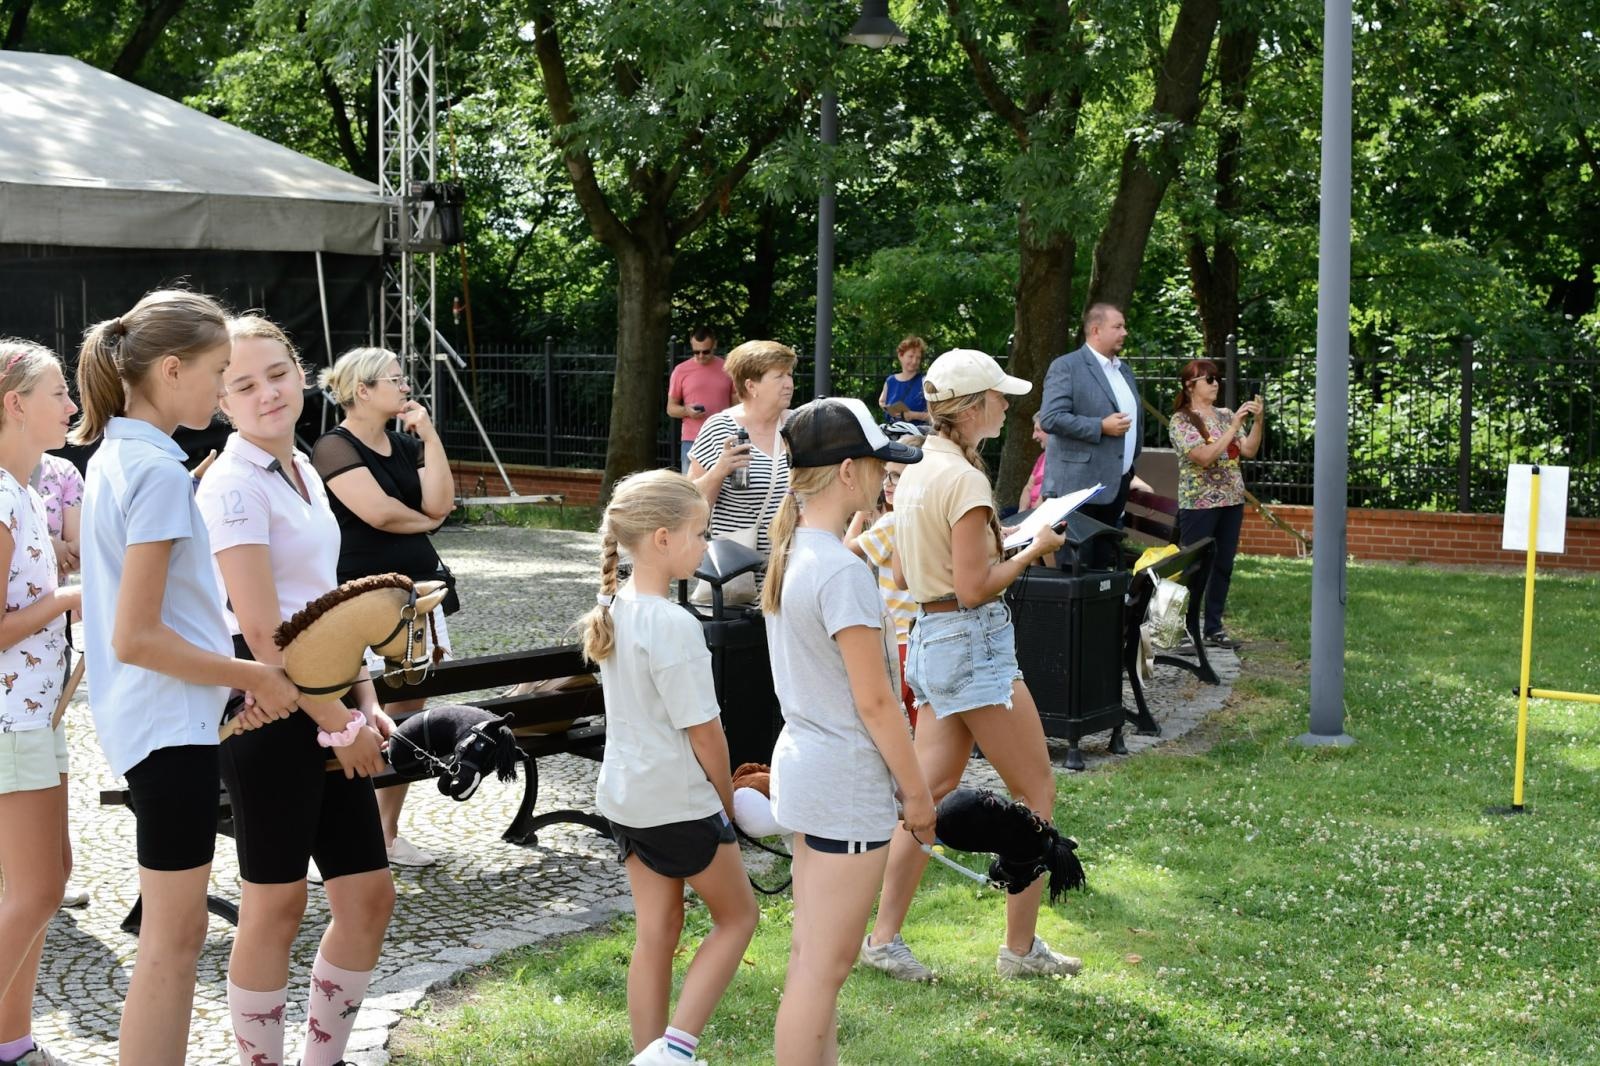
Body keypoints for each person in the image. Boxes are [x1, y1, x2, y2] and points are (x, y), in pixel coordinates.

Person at [73, 290, 300, 1065]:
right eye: (215, 372)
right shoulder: (161, 473)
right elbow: (135, 634)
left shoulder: (121, 456)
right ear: (171, 370)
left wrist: (229, 687)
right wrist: (253, 672)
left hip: (163, 720)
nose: (219, 390)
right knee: (173, 943)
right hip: (163, 727)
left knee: (176, 937)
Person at [198, 316, 396, 1066]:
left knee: (369, 899)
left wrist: (366, 700)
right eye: (243, 385)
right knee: (276, 906)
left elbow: (326, 605)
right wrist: (339, 723)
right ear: (221, 402)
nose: (266, 393)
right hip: (272, 715)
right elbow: (261, 630)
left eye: (276, 373)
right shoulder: (233, 485)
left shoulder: (306, 467)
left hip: (333, 705)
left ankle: (324, 1059)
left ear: (302, 373)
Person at [861, 348, 1079, 983]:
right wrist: (1034, 546)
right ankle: (1020, 950)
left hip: (930, 638)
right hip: (972, 644)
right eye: (999, 398)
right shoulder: (965, 480)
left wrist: (999, 545)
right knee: (1035, 791)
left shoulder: (919, 468)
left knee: (924, 801)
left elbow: (905, 573)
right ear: (973, 407)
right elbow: (978, 586)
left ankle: (884, 939)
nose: (1008, 407)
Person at [762, 397, 935, 1066]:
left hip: (809, 769)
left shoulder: (798, 551)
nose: (885, 476)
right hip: (842, 781)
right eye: (876, 464)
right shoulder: (840, 569)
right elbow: (877, 702)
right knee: (820, 970)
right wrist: (917, 795)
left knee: (813, 959)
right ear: (844, 472)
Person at [578, 469, 757, 1066]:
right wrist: (727, 803)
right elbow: (705, 731)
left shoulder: (616, 606)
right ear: (661, 538)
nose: (706, 546)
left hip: (626, 798)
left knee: (657, 932)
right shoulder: (674, 623)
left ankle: (647, 1056)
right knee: (739, 917)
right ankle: (675, 1051)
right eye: (699, 533)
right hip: (679, 801)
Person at [311, 347, 456, 868]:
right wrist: (428, 520)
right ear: (362, 390)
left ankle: (386, 832)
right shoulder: (332, 446)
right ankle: (342, 836)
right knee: (356, 713)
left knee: (408, 713)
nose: (405, 385)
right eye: (393, 379)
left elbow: (441, 501)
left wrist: (430, 437)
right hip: (360, 595)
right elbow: (379, 514)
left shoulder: (402, 442)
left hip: (419, 592)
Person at [0, 340, 84, 1066]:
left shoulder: (27, 491)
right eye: (59, 391)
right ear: (13, 404)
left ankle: (11, 1041)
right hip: (10, 722)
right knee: (31, 891)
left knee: (49, 883)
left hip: (35, 715)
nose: (72, 405)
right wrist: (68, 597)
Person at [25, 452, 94, 912]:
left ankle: (46, 874)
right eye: (58, 395)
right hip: (28, 629)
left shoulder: (62, 472)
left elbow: (76, 551)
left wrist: (52, 548)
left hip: (50, 637)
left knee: (50, 758)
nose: (72, 408)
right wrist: (51, 547)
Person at [1169, 359, 1264, 649]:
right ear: (1189, 385)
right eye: (1208, 379)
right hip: (1199, 504)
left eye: (1216, 378)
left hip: (1232, 500)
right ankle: (1184, 629)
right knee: (1195, 567)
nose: (1215, 383)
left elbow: (1248, 450)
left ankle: (1213, 627)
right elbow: (1204, 457)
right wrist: (1234, 425)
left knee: (1223, 564)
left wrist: (1257, 421)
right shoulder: (1181, 420)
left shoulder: (1224, 415)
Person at [1038, 303, 1141, 568]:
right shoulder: (1067, 367)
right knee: (1077, 567)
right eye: (1117, 326)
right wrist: (1100, 426)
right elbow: (1050, 418)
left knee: (1102, 568)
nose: (1125, 332)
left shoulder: (1123, 370)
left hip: (1115, 482)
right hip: (1076, 485)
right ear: (1096, 330)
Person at [686, 340, 796, 576]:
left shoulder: (799, 426)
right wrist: (719, 470)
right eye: (779, 376)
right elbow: (690, 504)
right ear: (751, 386)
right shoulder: (720, 427)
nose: (789, 384)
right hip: (737, 572)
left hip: (790, 570)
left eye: (789, 374)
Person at [846, 432, 923, 727]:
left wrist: (860, 513)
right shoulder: (927, 517)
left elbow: (845, 552)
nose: (887, 485)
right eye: (887, 476)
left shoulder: (893, 521)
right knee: (923, 724)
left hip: (898, 639)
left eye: (896, 477)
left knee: (882, 724)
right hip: (921, 635)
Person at [667, 328, 736, 473]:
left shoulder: (728, 369)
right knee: (692, 491)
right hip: (692, 439)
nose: (700, 356)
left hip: (722, 438)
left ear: (714, 345)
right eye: (695, 352)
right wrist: (687, 411)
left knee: (725, 490)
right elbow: (671, 408)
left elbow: (737, 405)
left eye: (706, 352)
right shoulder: (680, 371)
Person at [876, 336, 930, 426]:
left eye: (918, 358)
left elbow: (934, 416)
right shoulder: (890, 381)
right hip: (894, 432)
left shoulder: (925, 381)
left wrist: (914, 415)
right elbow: (882, 402)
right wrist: (890, 410)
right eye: (911, 356)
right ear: (900, 356)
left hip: (917, 435)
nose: (914, 361)